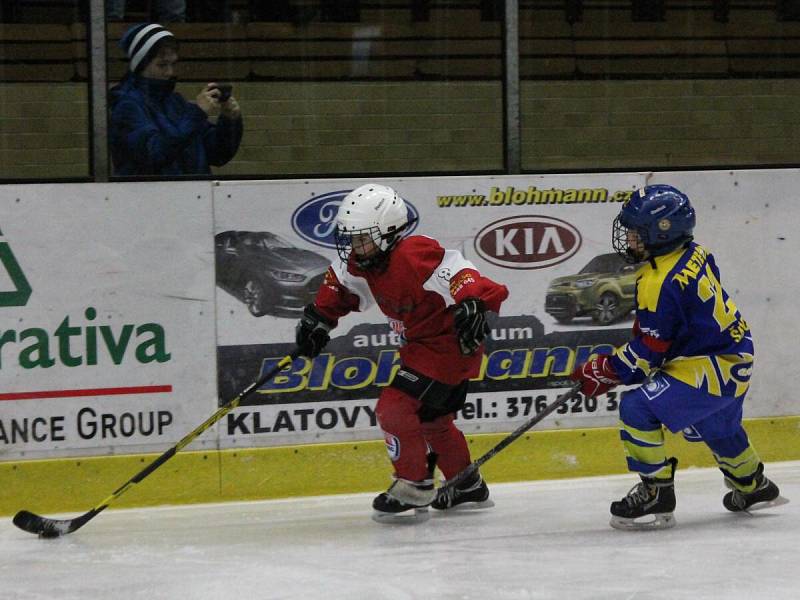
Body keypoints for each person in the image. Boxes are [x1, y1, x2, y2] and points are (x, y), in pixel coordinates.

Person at [570, 184, 781, 531]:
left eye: (637, 233)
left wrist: (607, 369)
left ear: (660, 232)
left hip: (709, 365)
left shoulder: (659, 280)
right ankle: (753, 486)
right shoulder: (693, 252)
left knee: (637, 408)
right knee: (719, 425)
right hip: (736, 352)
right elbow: (680, 319)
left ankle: (656, 492)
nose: (630, 239)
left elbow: (649, 354)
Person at [295, 183, 509, 522]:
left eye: (361, 237)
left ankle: (413, 483)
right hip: (422, 349)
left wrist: (473, 300)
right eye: (350, 237)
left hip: (449, 346)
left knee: (394, 408)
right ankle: (466, 485)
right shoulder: (364, 261)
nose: (354, 245)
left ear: (389, 231)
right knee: (433, 421)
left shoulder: (412, 254)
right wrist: (318, 318)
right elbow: (341, 283)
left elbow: (458, 270)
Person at [109, 23, 243, 176]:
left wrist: (229, 121)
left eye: (173, 64)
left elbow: (217, 154)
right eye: (162, 65)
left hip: (193, 195)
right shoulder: (127, 106)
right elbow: (154, 154)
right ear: (141, 66)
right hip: (150, 197)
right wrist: (197, 113)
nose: (170, 72)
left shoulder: (176, 102)